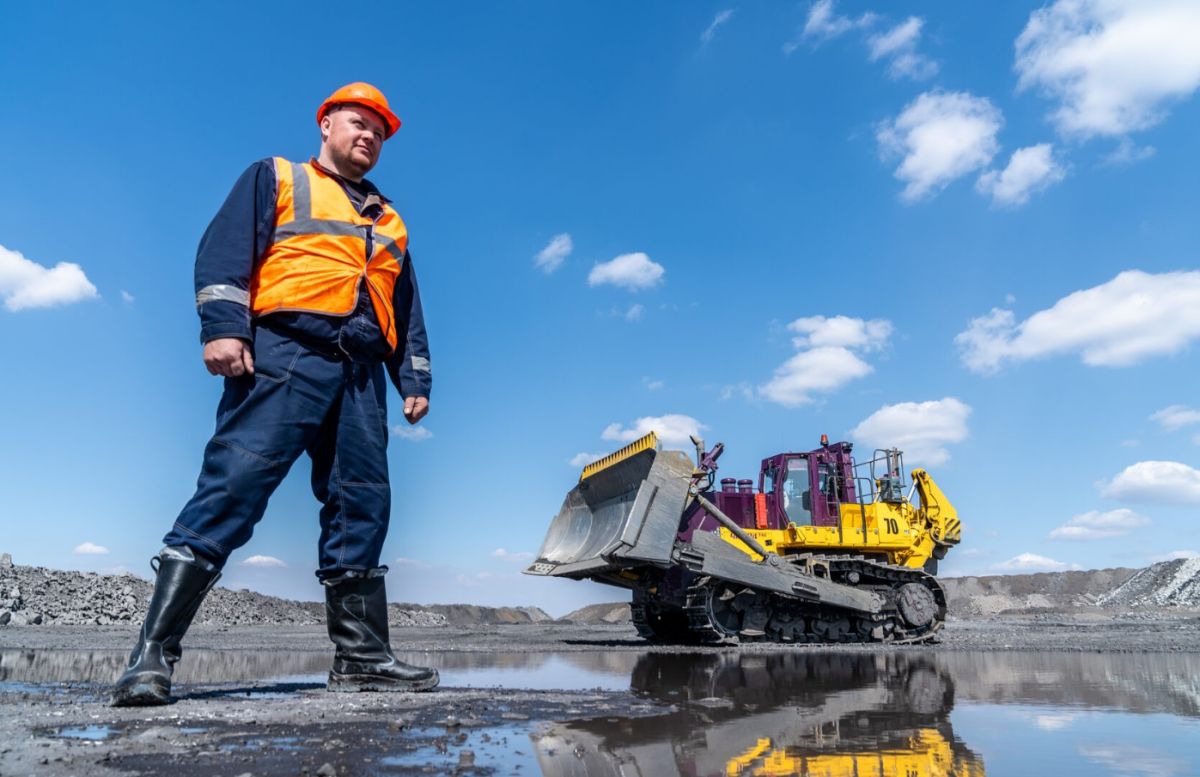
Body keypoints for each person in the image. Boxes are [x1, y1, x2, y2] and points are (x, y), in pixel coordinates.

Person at [112, 82, 438, 706]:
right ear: (326, 125)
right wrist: (224, 328)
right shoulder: (278, 176)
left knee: (361, 506)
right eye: (357, 122)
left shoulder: (391, 220)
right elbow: (225, 253)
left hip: (362, 376)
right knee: (234, 486)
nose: (368, 135)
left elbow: (407, 306)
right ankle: (151, 656)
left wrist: (414, 380)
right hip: (283, 356)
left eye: (379, 130)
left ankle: (362, 657)